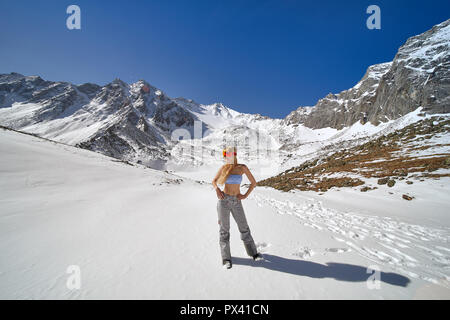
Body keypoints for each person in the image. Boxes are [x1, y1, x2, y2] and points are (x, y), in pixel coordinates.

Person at [211, 146, 264, 269]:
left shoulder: (242, 168)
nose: (227, 157)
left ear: (234, 154)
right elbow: (214, 181)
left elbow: (253, 183)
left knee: (244, 228)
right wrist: (217, 189)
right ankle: (226, 259)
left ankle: (253, 253)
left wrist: (245, 195)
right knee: (224, 231)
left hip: (236, 201)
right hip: (223, 201)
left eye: (229, 154)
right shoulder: (224, 168)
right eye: (225, 155)